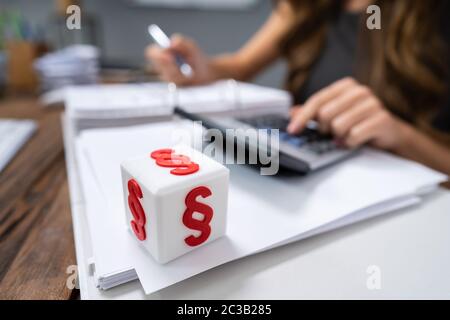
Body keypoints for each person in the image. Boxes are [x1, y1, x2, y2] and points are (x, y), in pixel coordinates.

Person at [146, 0, 450, 176]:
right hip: (307, 183)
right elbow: (240, 66)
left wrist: (402, 137)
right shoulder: (308, 6)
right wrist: (203, 68)